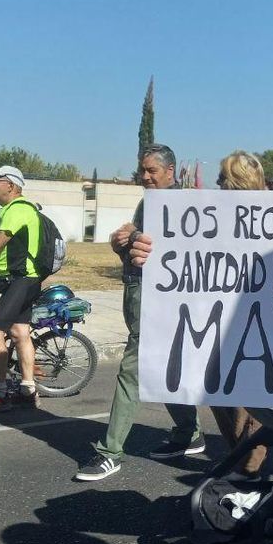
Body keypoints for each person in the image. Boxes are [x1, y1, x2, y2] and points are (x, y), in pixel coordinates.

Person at [75, 143, 206, 482]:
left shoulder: (180, 205)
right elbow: (138, 255)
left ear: (170, 172)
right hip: (139, 293)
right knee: (163, 367)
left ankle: (109, 451)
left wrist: (133, 236)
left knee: (132, 370)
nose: (145, 176)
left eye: (152, 171)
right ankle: (188, 433)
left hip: (160, 300)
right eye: (143, 170)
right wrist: (122, 246)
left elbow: (183, 253)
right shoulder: (147, 203)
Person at [208, 150, 271, 477]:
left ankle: (248, 473)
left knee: (250, 409)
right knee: (223, 399)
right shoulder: (208, 220)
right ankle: (242, 464)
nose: (219, 185)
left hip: (261, 330)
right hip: (220, 327)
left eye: (223, 179)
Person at [0, 165, 45, 412]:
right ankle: (28, 390)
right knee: (19, 332)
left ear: (11, 186)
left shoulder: (16, 210)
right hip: (27, 280)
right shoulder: (15, 210)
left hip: (20, 280)